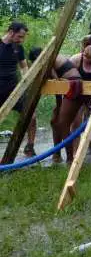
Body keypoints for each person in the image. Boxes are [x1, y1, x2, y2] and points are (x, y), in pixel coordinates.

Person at [28, 48, 82, 163]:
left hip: (73, 85)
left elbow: (56, 81)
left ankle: (70, 159)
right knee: (54, 121)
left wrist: (59, 105)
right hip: (69, 86)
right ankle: (57, 155)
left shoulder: (48, 59)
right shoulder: (52, 56)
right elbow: (57, 84)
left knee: (63, 124)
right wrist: (58, 106)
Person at [0, 23, 37, 157]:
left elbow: (23, 67)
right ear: (10, 32)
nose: (21, 40)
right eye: (19, 36)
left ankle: (30, 147)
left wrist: (27, 83)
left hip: (15, 90)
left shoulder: (18, 48)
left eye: (23, 37)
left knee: (31, 116)